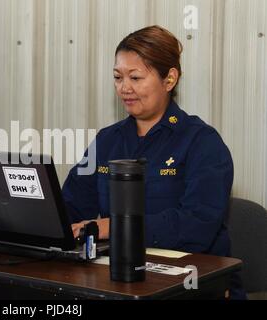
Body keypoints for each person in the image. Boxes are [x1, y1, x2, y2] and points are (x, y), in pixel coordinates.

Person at [62, 26, 245, 299]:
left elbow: (197, 226)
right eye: (117, 77)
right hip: (118, 280)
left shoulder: (202, 142)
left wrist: (113, 226)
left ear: (169, 79)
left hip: (191, 284)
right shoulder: (107, 140)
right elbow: (72, 206)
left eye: (135, 77)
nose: (124, 88)